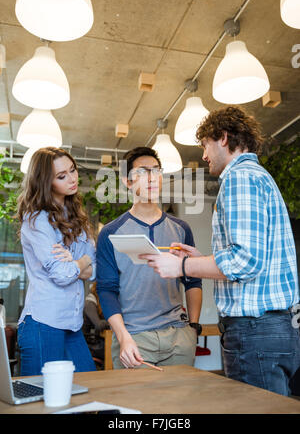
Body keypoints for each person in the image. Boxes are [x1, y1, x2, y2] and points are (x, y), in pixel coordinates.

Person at [141, 106, 300, 396]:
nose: (203, 155)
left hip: (255, 332)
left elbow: (244, 261)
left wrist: (182, 267)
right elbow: (250, 256)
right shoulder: (258, 176)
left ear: (223, 138)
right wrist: (197, 259)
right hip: (273, 329)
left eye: (205, 145)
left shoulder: (239, 178)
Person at [96, 146, 202, 369]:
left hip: (178, 336)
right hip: (134, 337)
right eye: (142, 172)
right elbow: (106, 289)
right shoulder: (111, 232)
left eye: (156, 170)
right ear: (128, 181)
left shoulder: (181, 228)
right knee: (136, 403)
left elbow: (193, 280)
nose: (152, 178)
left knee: (180, 403)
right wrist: (123, 337)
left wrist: (193, 327)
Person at [17, 147, 96, 376]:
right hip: (42, 324)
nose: (72, 179)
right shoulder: (37, 221)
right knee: (40, 402)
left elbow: (96, 270)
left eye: (72, 170)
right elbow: (63, 275)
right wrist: (82, 261)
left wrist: (75, 262)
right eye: (62, 176)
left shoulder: (77, 219)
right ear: (45, 182)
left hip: (72, 324)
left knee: (88, 387)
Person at [82, 282, 110, 364]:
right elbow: (99, 325)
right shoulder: (89, 304)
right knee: (113, 348)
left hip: (94, 342)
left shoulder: (95, 302)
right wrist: (113, 321)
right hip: (89, 346)